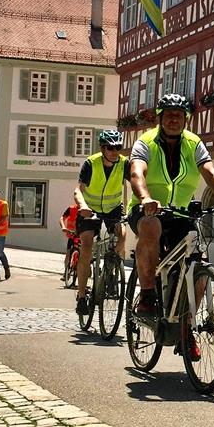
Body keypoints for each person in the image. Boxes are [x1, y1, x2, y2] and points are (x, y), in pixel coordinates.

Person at [127, 94, 214, 358]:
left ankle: (186, 328)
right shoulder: (145, 142)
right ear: (160, 117)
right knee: (151, 227)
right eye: (168, 114)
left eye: (179, 115)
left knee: (198, 261)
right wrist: (145, 198)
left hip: (179, 213)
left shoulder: (194, 144)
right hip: (147, 210)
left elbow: (211, 173)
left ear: (186, 119)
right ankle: (146, 295)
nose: (174, 118)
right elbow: (136, 172)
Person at [72, 129, 131, 314]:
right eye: (110, 147)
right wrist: (82, 205)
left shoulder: (124, 164)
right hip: (90, 209)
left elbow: (136, 185)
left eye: (118, 147)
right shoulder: (91, 163)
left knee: (122, 235)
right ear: (102, 148)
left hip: (113, 207)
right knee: (87, 246)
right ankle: (82, 297)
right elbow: (78, 190)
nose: (114, 151)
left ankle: (111, 270)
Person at [59, 198, 81, 283]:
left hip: (82, 236)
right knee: (68, 253)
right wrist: (63, 227)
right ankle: (66, 272)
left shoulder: (88, 210)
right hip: (72, 235)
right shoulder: (71, 208)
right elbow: (62, 218)